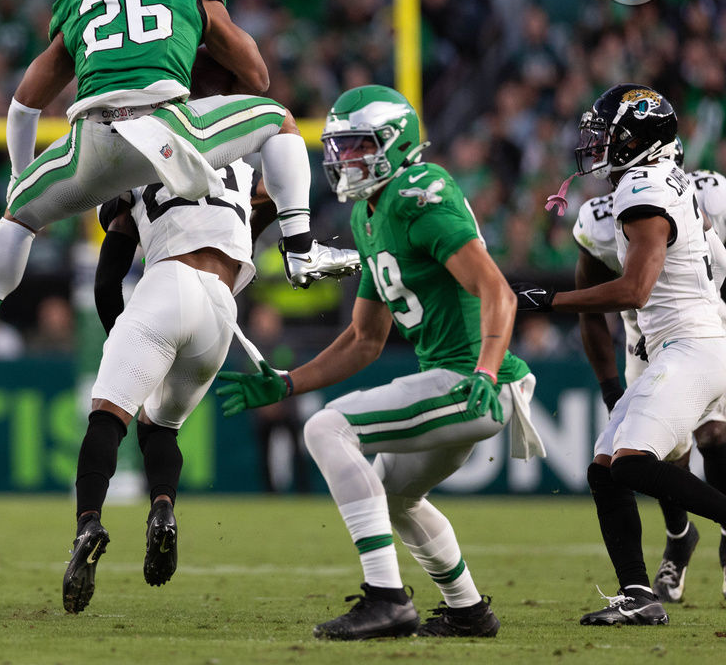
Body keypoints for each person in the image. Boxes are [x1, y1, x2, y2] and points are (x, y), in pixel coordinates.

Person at [0, 0, 358, 380]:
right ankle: (301, 248)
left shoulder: (79, 2)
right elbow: (256, 74)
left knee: (17, 218)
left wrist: (19, 178)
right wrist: (198, 36)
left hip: (90, 141)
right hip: (165, 129)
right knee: (278, 118)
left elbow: (23, 105)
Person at [217, 85, 544, 640]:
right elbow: (365, 340)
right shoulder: (373, 214)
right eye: (339, 148)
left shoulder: (421, 190)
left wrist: (487, 368)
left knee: (328, 428)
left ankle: (387, 599)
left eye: (358, 146)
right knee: (392, 494)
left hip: (472, 380)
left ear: (395, 144)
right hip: (453, 378)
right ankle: (468, 610)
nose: (345, 160)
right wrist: (290, 382)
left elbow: (499, 292)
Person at [514, 83, 726, 626]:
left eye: (608, 132)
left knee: (634, 462)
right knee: (605, 469)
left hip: (692, 343)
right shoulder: (651, 180)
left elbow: (633, 292)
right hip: (677, 345)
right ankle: (638, 594)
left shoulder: (643, 189)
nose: (596, 142)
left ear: (638, 137)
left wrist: (550, 299)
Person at [63, 158, 270, 614]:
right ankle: (162, 509)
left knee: (108, 415)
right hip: (222, 306)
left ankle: (88, 524)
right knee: (161, 427)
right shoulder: (237, 158)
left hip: (166, 283)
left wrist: (126, 339)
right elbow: (271, 197)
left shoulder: (136, 163)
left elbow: (106, 282)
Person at [571, 141, 726, 604]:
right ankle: (653, 572)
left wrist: (549, 299)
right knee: (618, 466)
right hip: (649, 343)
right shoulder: (605, 212)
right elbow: (593, 311)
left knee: (710, 436)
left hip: (701, 332)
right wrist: (608, 385)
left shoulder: (692, 191)